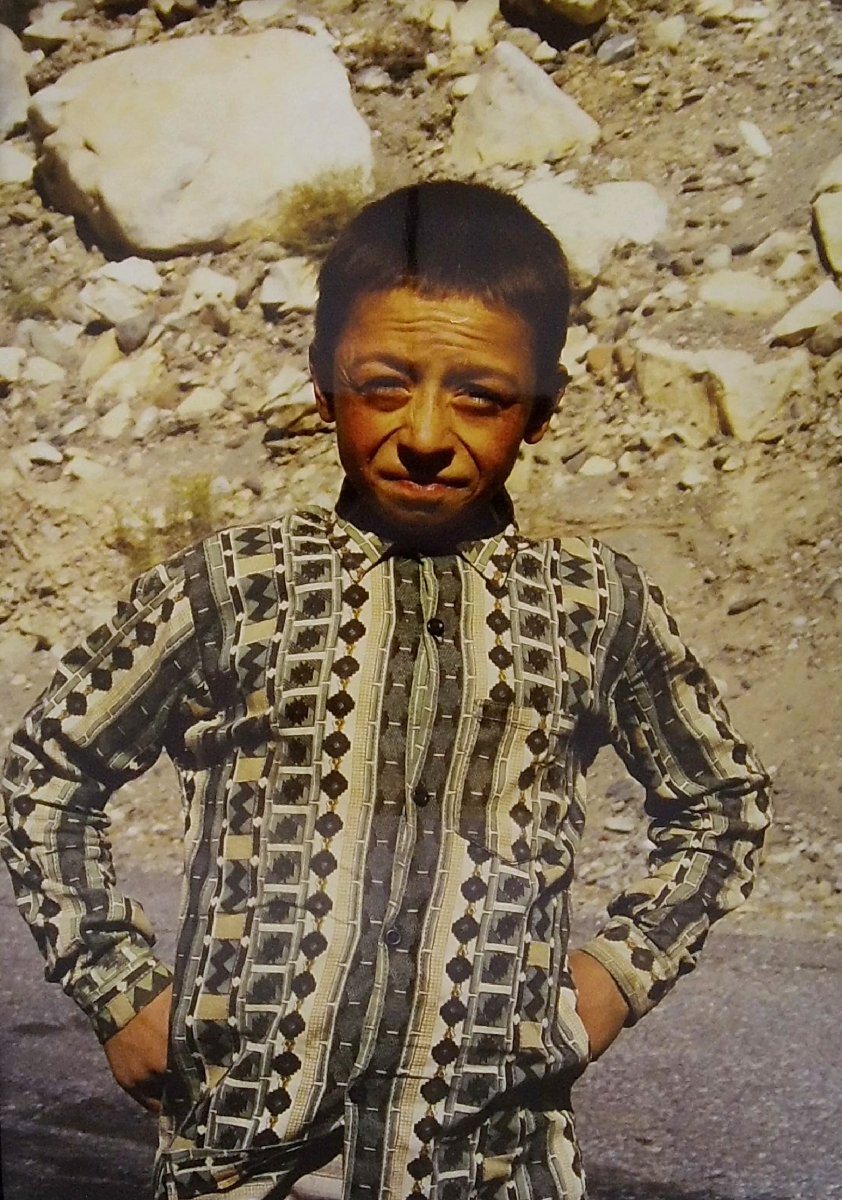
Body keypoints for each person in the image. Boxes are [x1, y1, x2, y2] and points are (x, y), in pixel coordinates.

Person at [0, 181, 771, 1200]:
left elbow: (722, 802)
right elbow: (48, 770)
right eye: (383, 385)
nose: (424, 432)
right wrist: (115, 985)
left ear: (541, 410)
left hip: (492, 1166)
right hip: (239, 1157)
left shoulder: (594, 605)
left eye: (480, 395)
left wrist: (617, 977)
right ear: (324, 386)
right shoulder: (231, 588)